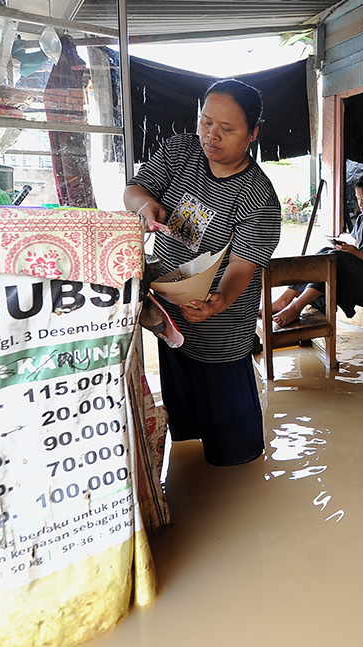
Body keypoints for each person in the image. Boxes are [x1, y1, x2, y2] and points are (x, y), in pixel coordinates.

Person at [124, 79, 281, 466]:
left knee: (233, 444)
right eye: (206, 121)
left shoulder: (258, 195)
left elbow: (244, 264)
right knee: (186, 422)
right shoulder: (180, 152)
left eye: (227, 129)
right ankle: (192, 464)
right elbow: (134, 189)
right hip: (169, 309)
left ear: (253, 134)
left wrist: (220, 301)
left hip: (220, 323)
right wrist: (144, 206)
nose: (212, 135)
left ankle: (237, 483)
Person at [270, 172, 363, 326]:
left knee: (335, 259)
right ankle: (285, 299)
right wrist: (346, 249)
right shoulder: (361, 220)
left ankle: (295, 306)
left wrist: (354, 253)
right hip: (361, 275)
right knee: (325, 254)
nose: (360, 204)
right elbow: (358, 254)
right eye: (358, 199)